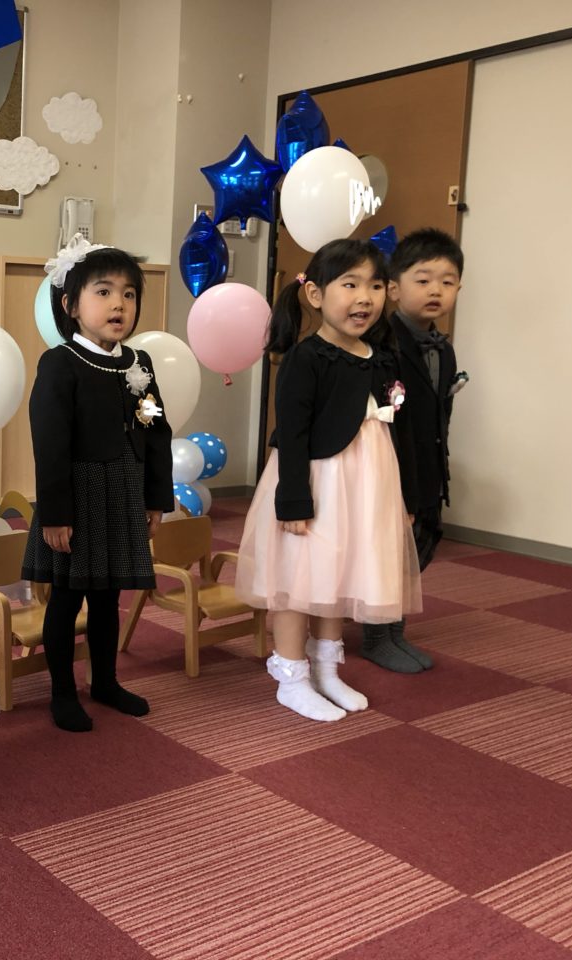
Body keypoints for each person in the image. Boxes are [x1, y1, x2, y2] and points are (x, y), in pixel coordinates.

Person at [235, 239, 421, 722]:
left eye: (375, 286)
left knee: (338, 575)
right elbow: (292, 435)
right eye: (350, 284)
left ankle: (326, 669)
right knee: (300, 578)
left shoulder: (383, 356)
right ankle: (291, 676)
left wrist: (405, 497)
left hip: (366, 487)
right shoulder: (307, 357)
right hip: (317, 483)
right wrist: (294, 499)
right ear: (316, 295)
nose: (364, 298)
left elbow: (398, 429)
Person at [22, 237, 173, 733]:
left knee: (109, 598)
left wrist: (155, 498)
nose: (118, 305)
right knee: (67, 600)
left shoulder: (139, 363)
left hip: (123, 493)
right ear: (71, 305)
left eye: (128, 294)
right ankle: (62, 694)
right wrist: (56, 514)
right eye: (104, 292)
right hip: (78, 495)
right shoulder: (60, 363)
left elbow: (155, 428)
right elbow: (50, 444)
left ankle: (105, 681)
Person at [361, 228, 465, 672]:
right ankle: (376, 636)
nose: (435, 290)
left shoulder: (444, 350)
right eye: (423, 280)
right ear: (394, 288)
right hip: (389, 464)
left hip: (428, 465)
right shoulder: (381, 346)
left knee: (417, 548)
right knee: (387, 552)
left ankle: (394, 630)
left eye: (447, 281)